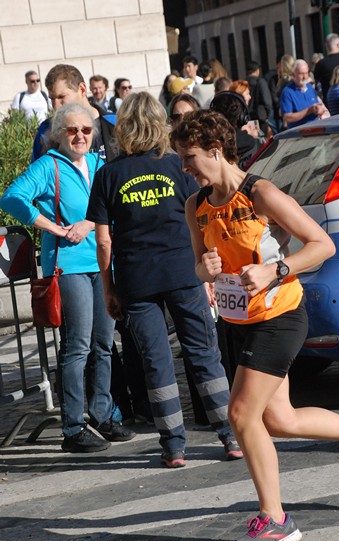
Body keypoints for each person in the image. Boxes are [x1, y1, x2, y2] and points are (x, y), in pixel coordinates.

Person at [171, 108, 339, 541]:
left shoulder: (261, 193)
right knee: (279, 419)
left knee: (240, 415)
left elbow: (321, 245)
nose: (184, 167)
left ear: (216, 151)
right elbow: (199, 263)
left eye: (190, 157)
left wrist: (276, 269)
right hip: (241, 322)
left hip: (280, 317)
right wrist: (206, 268)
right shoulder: (195, 206)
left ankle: (275, 519)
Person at [86, 92, 243, 468]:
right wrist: (206, 275)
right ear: (161, 124)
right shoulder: (177, 167)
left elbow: (104, 240)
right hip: (183, 272)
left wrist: (108, 288)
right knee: (204, 354)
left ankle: (173, 446)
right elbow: (200, 224)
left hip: (136, 280)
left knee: (156, 362)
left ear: (123, 127)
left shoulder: (108, 175)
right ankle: (230, 436)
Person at [0, 104, 135, 452]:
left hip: (102, 262)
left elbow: (113, 207)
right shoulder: (48, 166)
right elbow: (11, 198)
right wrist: (53, 228)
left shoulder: (97, 165)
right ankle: (73, 427)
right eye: (72, 130)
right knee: (77, 347)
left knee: (105, 343)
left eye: (86, 130)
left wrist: (89, 223)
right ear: (59, 134)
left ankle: (103, 415)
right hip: (68, 266)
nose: (79, 136)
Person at [32, 64, 116, 162]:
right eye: (52, 99)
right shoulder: (45, 133)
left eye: (61, 97)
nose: (56, 106)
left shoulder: (115, 124)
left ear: (82, 89)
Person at [280, 59, 328, 129]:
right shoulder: (287, 92)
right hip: (300, 135)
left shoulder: (310, 88)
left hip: (316, 131)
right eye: (301, 74)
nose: (304, 77)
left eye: (306, 73)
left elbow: (318, 106)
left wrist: (320, 110)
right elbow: (288, 118)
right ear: (293, 74)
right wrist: (308, 111)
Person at [314, 34, 339, 103]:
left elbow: (316, 83)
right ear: (338, 44)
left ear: (326, 46)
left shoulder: (321, 64)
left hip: (329, 102)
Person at [246, 61, 272, 136]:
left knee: (253, 140)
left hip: (248, 118)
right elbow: (267, 101)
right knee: (262, 141)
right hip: (261, 117)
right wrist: (267, 115)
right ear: (257, 70)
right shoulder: (261, 82)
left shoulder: (243, 83)